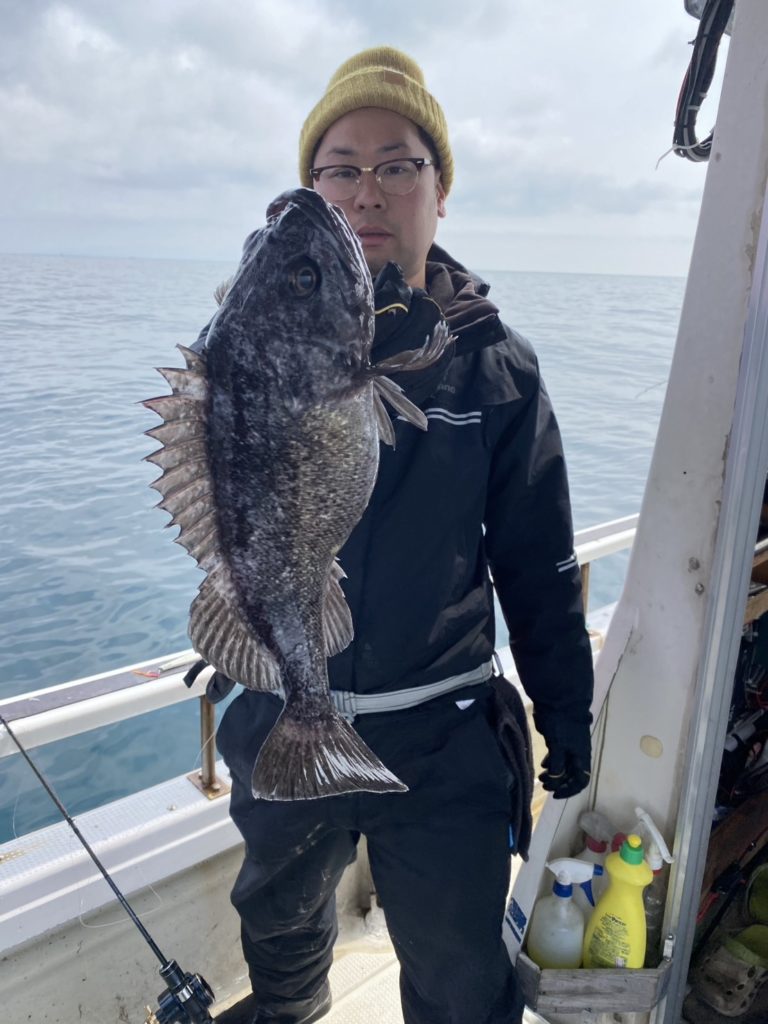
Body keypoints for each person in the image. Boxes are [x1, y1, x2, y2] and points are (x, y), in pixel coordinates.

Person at [210, 46, 594, 1024]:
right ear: (313, 190)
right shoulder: (250, 348)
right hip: (280, 709)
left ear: (440, 191)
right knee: (279, 933)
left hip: (443, 735)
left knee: (462, 979)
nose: (367, 190)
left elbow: (538, 566)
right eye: (339, 168)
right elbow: (220, 497)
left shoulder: (498, 369)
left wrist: (567, 712)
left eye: (397, 165)